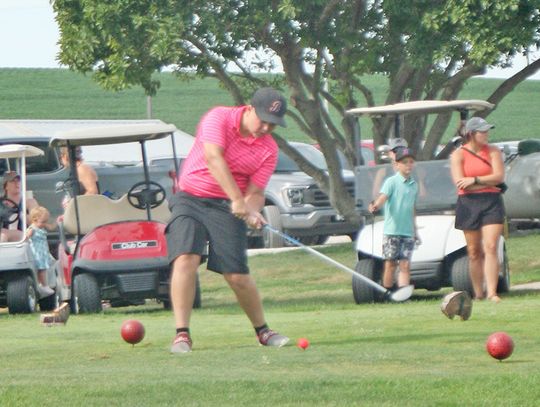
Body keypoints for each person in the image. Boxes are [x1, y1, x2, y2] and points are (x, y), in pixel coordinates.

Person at [166, 87, 289, 353]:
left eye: (273, 124)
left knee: (236, 275)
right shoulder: (218, 118)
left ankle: (263, 331)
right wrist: (237, 199)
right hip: (190, 197)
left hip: (226, 209)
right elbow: (213, 158)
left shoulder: (268, 149)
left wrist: (253, 212)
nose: (267, 128)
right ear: (249, 108)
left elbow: (255, 193)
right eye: (263, 119)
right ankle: (182, 334)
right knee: (186, 257)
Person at [450, 117, 505, 303]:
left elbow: (498, 177)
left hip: (492, 201)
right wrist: (484, 182)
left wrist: (475, 180)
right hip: (468, 203)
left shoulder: (494, 151)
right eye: (483, 131)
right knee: (473, 251)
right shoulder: (458, 155)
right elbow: (460, 183)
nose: (487, 134)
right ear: (472, 134)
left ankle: (492, 292)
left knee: (490, 246)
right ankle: (478, 293)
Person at [368, 147, 419, 294]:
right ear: (397, 165)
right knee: (390, 263)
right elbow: (383, 197)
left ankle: (403, 293)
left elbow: (412, 208)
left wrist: (415, 230)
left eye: (410, 162)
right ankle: (387, 292)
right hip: (392, 231)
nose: (408, 165)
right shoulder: (391, 182)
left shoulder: (414, 185)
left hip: (407, 231)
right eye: (404, 162)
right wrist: (376, 205)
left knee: (405, 265)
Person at [26, 206, 56, 296]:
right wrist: (27, 236)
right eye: (43, 222)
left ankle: (41, 284)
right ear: (34, 220)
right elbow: (26, 237)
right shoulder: (32, 229)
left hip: (43, 252)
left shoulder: (41, 226)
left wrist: (58, 221)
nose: (44, 224)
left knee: (43, 269)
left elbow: (51, 227)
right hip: (37, 254)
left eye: (46, 221)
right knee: (42, 269)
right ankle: (44, 285)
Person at [1, 171, 39, 242]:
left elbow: (38, 222)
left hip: (24, 235)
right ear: (6, 186)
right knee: (3, 233)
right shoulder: (1, 203)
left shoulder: (29, 202)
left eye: (18, 180)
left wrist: (24, 216)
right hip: (4, 233)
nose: (17, 183)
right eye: (12, 181)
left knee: (3, 234)